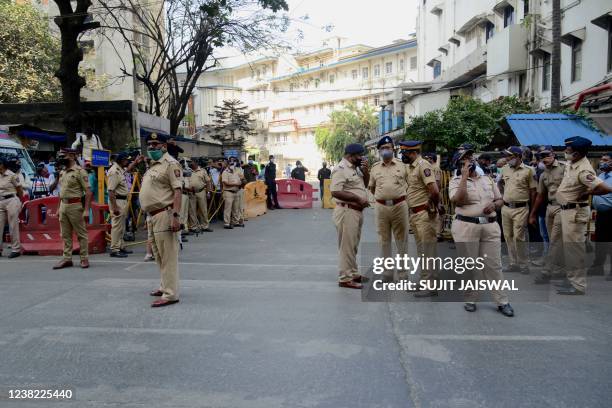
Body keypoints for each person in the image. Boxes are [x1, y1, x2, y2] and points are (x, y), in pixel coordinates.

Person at [449, 148, 514, 317]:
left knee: (494, 264)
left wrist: (495, 205)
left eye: (471, 157)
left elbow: (500, 199)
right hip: (466, 227)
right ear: (459, 163)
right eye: (466, 159)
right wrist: (464, 176)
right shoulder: (455, 181)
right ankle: (470, 299)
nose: (471, 160)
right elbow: (458, 199)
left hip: (490, 226)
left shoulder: (487, 179)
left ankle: (502, 301)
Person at [140, 133, 183, 307]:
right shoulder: (153, 166)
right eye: (149, 144)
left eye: (156, 144)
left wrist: (175, 217)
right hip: (153, 216)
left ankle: (170, 294)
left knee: (168, 256)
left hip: (165, 214)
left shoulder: (171, 164)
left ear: (164, 146)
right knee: (158, 255)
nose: (151, 147)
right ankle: (164, 285)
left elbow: (178, 191)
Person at [401, 140, 441, 297]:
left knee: (428, 251)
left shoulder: (423, 165)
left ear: (412, 152)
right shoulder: (412, 167)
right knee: (422, 251)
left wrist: (432, 207)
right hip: (416, 214)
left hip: (424, 215)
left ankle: (431, 286)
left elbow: (435, 191)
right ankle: (425, 280)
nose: (402, 156)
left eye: (404, 153)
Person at [368, 136, 409, 281]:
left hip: (400, 206)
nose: (386, 150)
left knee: (401, 241)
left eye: (389, 148)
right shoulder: (374, 168)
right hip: (381, 208)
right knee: (384, 241)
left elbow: (410, 184)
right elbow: (372, 188)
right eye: (383, 148)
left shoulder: (403, 166)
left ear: (393, 149)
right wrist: (383, 198)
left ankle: (403, 274)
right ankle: (387, 273)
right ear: (379, 151)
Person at [330, 143, 369, 289]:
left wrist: (366, 171)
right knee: (347, 246)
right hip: (347, 211)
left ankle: (353, 273)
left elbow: (365, 185)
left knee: (353, 245)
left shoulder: (355, 168)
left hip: (356, 212)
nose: (361, 158)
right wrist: (358, 199)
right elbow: (335, 191)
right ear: (350, 155)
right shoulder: (341, 169)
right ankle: (345, 278)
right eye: (359, 155)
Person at [528, 146, 566, 284]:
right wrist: (532, 213)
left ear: (553, 154)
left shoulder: (564, 168)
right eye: (542, 156)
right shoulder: (543, 174)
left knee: (555, 240)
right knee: (553, 241)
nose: (545, 159)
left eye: (547, 155)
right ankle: (561, 269)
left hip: (563, 207)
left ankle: (546, 272)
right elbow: (540, 195)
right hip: (550, 207)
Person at [498, 146, 536, 275]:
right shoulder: (504, 169)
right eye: (507, 156)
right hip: (506, 207)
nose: (507, 159)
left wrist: (532, 210)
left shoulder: (529, 171)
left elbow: (533, 191)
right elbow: (499, 183)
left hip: (521, 208)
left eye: (510, 156)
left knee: (519, 237)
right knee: (508, 236)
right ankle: (513, 263)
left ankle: (523, 263)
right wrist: (503, 196)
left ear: (518, 156)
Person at [53, 148, 92, 269]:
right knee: (65, 234)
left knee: (81, 234)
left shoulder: (80, 171)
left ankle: (84, 258)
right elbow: (61, 192)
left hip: (75, 206)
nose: (60, 157)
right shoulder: (62, 172)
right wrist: (58, 208)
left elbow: (88, 192)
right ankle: (67, 258)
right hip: (63, 206)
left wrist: (86, 210)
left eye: (63, 155)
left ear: (72, 155)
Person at [108, 152, 142, 258]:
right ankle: (114, 249)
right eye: (126, 160)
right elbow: (110, 191)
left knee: (122, 227)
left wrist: (135, 163)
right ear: (121, 160)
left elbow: (127, 170)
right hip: (117, 201)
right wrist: (114, 207)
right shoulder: (114, 171)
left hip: (122, 200)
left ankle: (120, 246)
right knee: (117, 226)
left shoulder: (119, 169)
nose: (128, 162)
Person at [590, 153, 612, 279]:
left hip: (611, 213)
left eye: (605, 160)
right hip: (601, 214)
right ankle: (598, 267)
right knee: (600, 241)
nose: (602, 161)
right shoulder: (601, 175)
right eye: (601, 159)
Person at [0, 155, 24, 258]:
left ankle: (16, 249)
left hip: (12, 200)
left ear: (2, 165)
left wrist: (19, 200)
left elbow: (19, 189)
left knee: (12, 225)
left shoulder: (12, 175)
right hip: (1, 201)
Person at [423, 152, 445, 242]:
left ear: (432, 159)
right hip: (431, 193)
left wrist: (435, 194)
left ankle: (438, 233)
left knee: (438, 212)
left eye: (429, 158)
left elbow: (437, 182)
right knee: (432, 212)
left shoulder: (435, 168)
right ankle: (433, 232)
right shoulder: (430, 167)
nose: (427, 159)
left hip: (435, 193)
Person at [188, 158, 213, 233]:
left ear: (196, 163)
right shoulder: (188, 171)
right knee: (192, 210)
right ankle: (193, 227)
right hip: (191, 193)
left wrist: (208, 192)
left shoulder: (202, 171)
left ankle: (205, 226)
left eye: (191, 162)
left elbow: (208, 182)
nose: (190, 163)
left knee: (203, 210)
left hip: (201, 191)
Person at [221, 158, 244, 229]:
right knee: (228, 208)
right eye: (230, 164)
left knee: (236, 208)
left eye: (233, 163)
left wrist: (241, 182)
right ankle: (226, 223)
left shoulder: (236, 171)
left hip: (236, 191)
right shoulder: (225, 172)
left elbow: (242, 177)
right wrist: (235, 184)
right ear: (228, 165)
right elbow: (225, 182)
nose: (232, 165)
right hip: (228, 192)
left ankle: (235, 222)